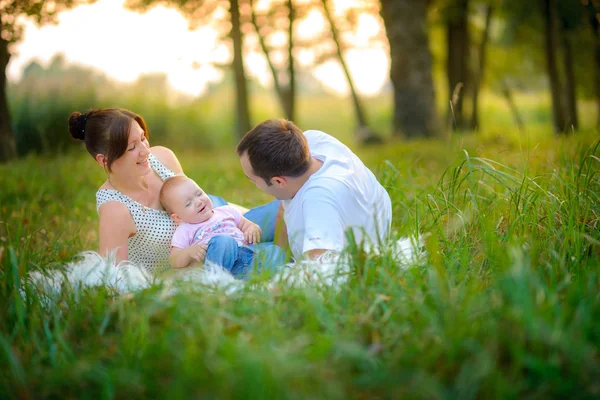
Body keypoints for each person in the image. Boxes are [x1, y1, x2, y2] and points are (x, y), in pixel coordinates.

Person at [68, 108, 282, 275]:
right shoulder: (115, 210)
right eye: (131, 147)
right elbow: (115, 278)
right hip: (211, 252)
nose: (144, 151)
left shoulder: (161, 157)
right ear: (104, 160)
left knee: (284, 210)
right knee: (275, 254)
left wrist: (241, 220)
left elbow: (196, 198)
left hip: (217, 215)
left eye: (142, 138)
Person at [237, 119, 392, 261]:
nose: (251, 182)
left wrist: (278, 263)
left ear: (278, 181)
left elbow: (320, 270)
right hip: (348, 209)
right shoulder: (312, 141)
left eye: (252, 179)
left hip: (335, 229)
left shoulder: (318, 203)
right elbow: (285, 206)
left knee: (233, 251)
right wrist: (279, 251)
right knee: (228, 219)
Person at [159, 175, 286, 278]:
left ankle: (261, 278)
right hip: (222, 263)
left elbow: (246, 224)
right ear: (178, 218)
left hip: (249, 257)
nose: (198, 202)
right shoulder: (185, 229)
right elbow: (174, 260)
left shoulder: (227, 211)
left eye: (199, 194)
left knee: (275, 251)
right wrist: (188, 252)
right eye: (188, 204)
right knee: (224, 241)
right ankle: (215, 279)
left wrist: (252, 228)